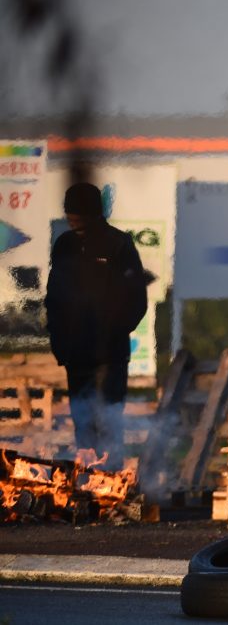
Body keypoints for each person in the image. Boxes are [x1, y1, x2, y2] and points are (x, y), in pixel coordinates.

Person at [44, 182, 148, 470]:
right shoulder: (64, 245)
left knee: (109, 418)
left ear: (93, 214)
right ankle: (88, 480)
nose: (72, 221)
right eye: (69, 215)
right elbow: (54, 297)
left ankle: (111, 475)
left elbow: (137, 299)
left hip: (110, 355)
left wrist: (112, 333)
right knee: (83, 422)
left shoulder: (119, 244)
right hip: (75, 353)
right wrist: (59, 342)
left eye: (78, 216)